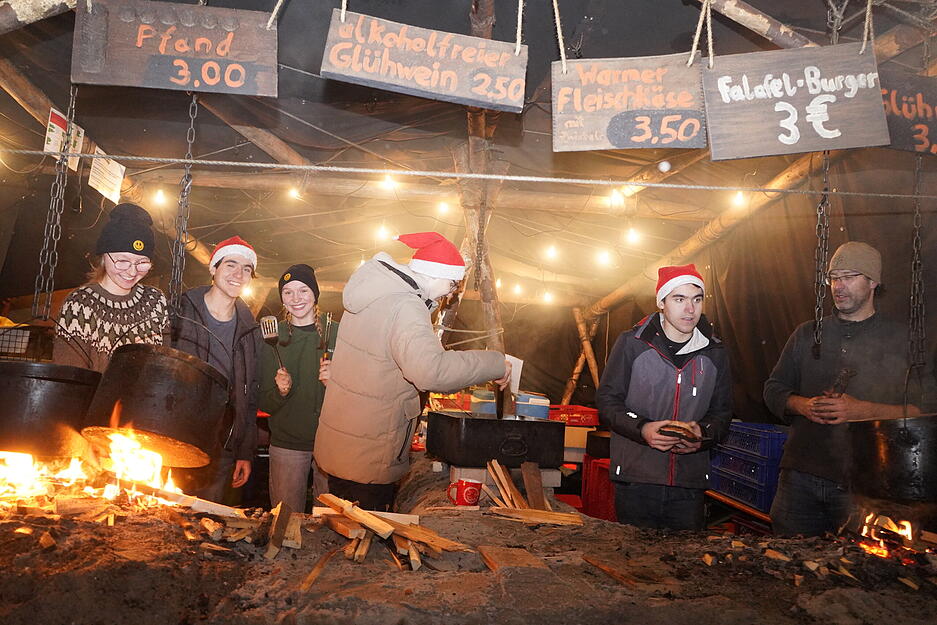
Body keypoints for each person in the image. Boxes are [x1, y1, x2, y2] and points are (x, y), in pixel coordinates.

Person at [314, 232, 511, 511]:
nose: (452, 292)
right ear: (434, 274)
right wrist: (495, 363)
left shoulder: (375, 294)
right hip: (370, 450)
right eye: (453, 283)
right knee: (365, 539)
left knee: (343, 533)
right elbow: (431, 372)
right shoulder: (405, 305)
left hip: (344, 443)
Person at [764, 241, 934, 536]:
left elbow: (926, 409)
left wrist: (864, 411)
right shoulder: (807, 333)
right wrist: (802, 405)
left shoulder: (901, 341)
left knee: (857, 572)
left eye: (850, 276)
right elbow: (773, 389)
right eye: (834, 278)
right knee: (788, 569)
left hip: (866, 487)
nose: (839, 286)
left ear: (873, 282)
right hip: (800, 475)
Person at [596, 264, 732, 530]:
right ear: (662, 302)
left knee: (681, 567)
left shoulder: (716, 352)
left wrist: (702, 434)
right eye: (679, 299)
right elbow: (607, 401)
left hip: (689, 484)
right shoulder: (632, 344)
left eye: (697, 299)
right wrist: (642, 427)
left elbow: (723, 413)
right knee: (636, 563)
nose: (690, 309)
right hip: (637, 478)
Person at [172, 235, 262, 504]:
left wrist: (244, 452)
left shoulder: (250, 329)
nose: (239, 274)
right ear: (213, 269)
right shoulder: (181, 312)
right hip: (178, 437)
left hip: (223, 446)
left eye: (247, 269)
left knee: (208, 524)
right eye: (231, 265)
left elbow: (250, 395)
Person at [54, 203, 168, 372]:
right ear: (103, 256)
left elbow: (164, 366)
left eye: (142, 263)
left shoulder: (155, 301)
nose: (132, 271)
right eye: (122, 261)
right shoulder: (79, 305)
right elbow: (69, 378)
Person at [259, 263, 335, 513]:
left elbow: (363, 388)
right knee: (286, 518)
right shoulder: (273, 338)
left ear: (315, 294)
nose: (296, 298)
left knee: (333, 520)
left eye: (303, 290)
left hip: (333, 441)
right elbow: (263, 403)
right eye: (288, 292)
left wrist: (338, 382)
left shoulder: (337, 333)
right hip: (287, 443)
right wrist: (280, 391)